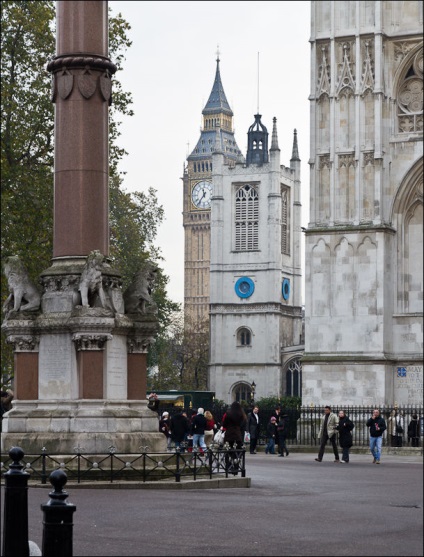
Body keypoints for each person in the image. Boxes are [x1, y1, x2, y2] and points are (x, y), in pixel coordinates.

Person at [222, 401, 247, 474]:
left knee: (228, 451)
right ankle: (236, 467)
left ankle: (229, 467)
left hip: (229, 434)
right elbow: (243, 424)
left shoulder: (228, 414)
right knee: (237, 452)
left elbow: (224, 424)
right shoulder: (241, 414)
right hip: (237, 434)